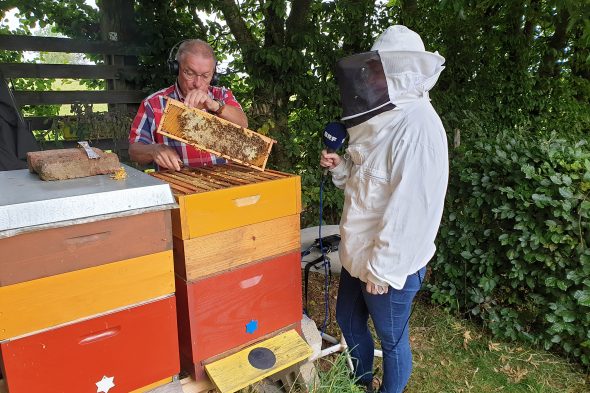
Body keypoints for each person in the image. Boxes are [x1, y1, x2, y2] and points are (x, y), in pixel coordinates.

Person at [320, 25, 449, 392]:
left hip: (389, 267)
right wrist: (341, 168)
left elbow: (414, 209)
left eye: (379, 68)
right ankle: (360, 383)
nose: (371, 75)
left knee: (391, 342)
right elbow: (365, 186)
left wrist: (383, 269)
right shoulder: (381, 120)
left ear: (401, 70)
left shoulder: (419, 126)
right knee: (348, 319)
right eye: (372, 66)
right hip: (358, 252)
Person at [129, 39, 248, 171]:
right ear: (175, 68)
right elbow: (134, 151)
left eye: (205, 76)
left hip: (224, 183)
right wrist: (154, 149)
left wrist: (215, 106)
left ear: (214, 75)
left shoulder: (222, 96)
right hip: (178, 187)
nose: (197, 83)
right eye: (189, 73)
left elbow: (243, 123)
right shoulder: (154, 103)